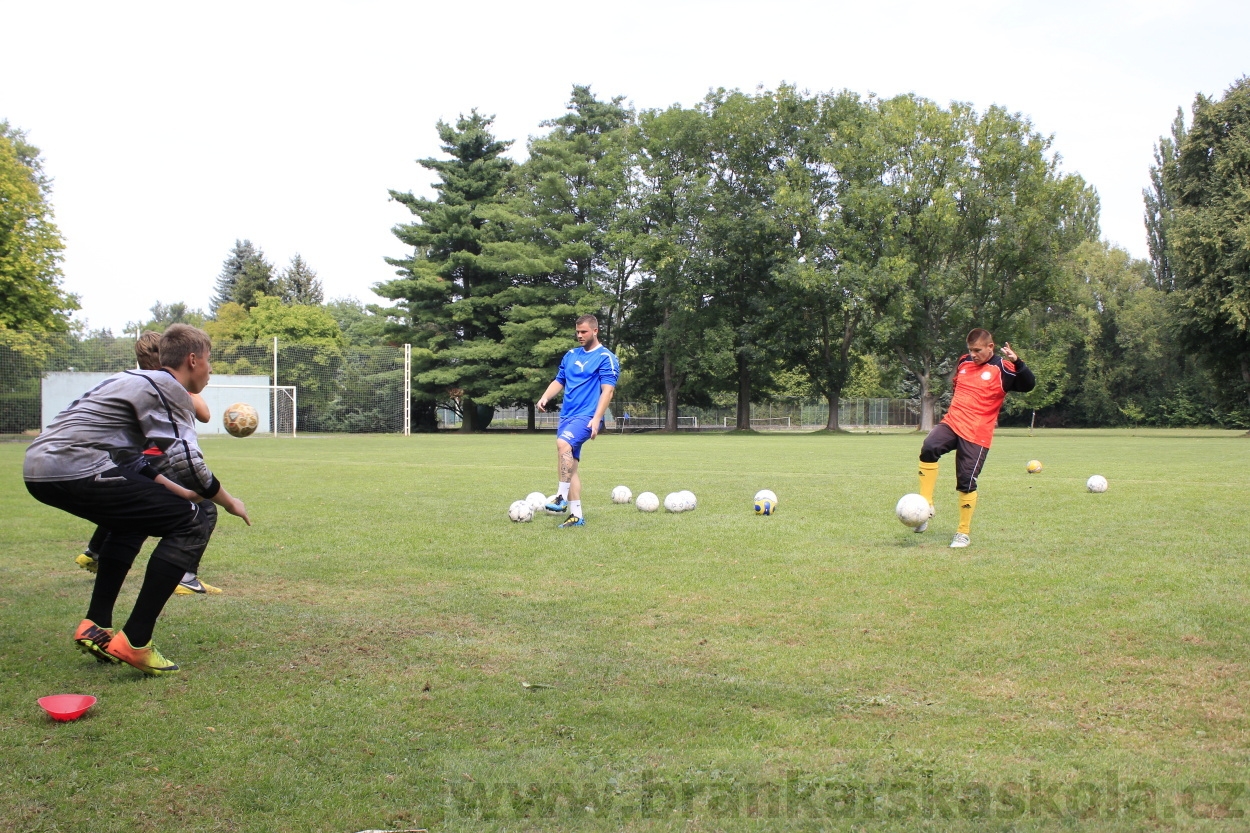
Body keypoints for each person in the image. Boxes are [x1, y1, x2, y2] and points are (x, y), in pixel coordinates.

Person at [24, 324, 250, 675]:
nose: (211, 369)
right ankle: (136, 640)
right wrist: (228, 500)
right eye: (209, 361)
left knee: (130, 523)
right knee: (193, 520)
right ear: (193, 360)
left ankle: (95, 624)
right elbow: (188, 461)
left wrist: (178, 490)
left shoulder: (131, 380)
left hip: (40, 468)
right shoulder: (167, 388)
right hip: (75, 466)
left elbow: (136, 457)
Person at [75, 330, 223, 595]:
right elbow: (205, 414)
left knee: (128, 511)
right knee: (204, 509)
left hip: (125, 460)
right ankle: (184, 575)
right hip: (154, 458)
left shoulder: (131, 381)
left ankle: (94, 551)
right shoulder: (167, 386)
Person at [914, 328, 1035, 548]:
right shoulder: (963, 363)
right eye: (970, 350)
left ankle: (963, 533)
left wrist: (1018, 362)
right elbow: (957, 386)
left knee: (966, 481)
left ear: (990, 347)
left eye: (977, 350)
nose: (973, 355)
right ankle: (925, 506)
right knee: (929, 447)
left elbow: (1028, 385)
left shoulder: (1003, 369)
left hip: (977, 433)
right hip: (953, 422)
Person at [536, 314, 619, 528]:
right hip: (567, 416)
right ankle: (576, 516)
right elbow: (559, 380)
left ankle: (560, 497)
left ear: (595, 331)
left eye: (584, 332)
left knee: (563, 444)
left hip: (587, 416)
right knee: (569, 465)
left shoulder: (605, 357)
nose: (580, 336)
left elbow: (608, 391)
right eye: (577, 332)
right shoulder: (571, 355)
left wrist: (597, 418)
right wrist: (546, 396)